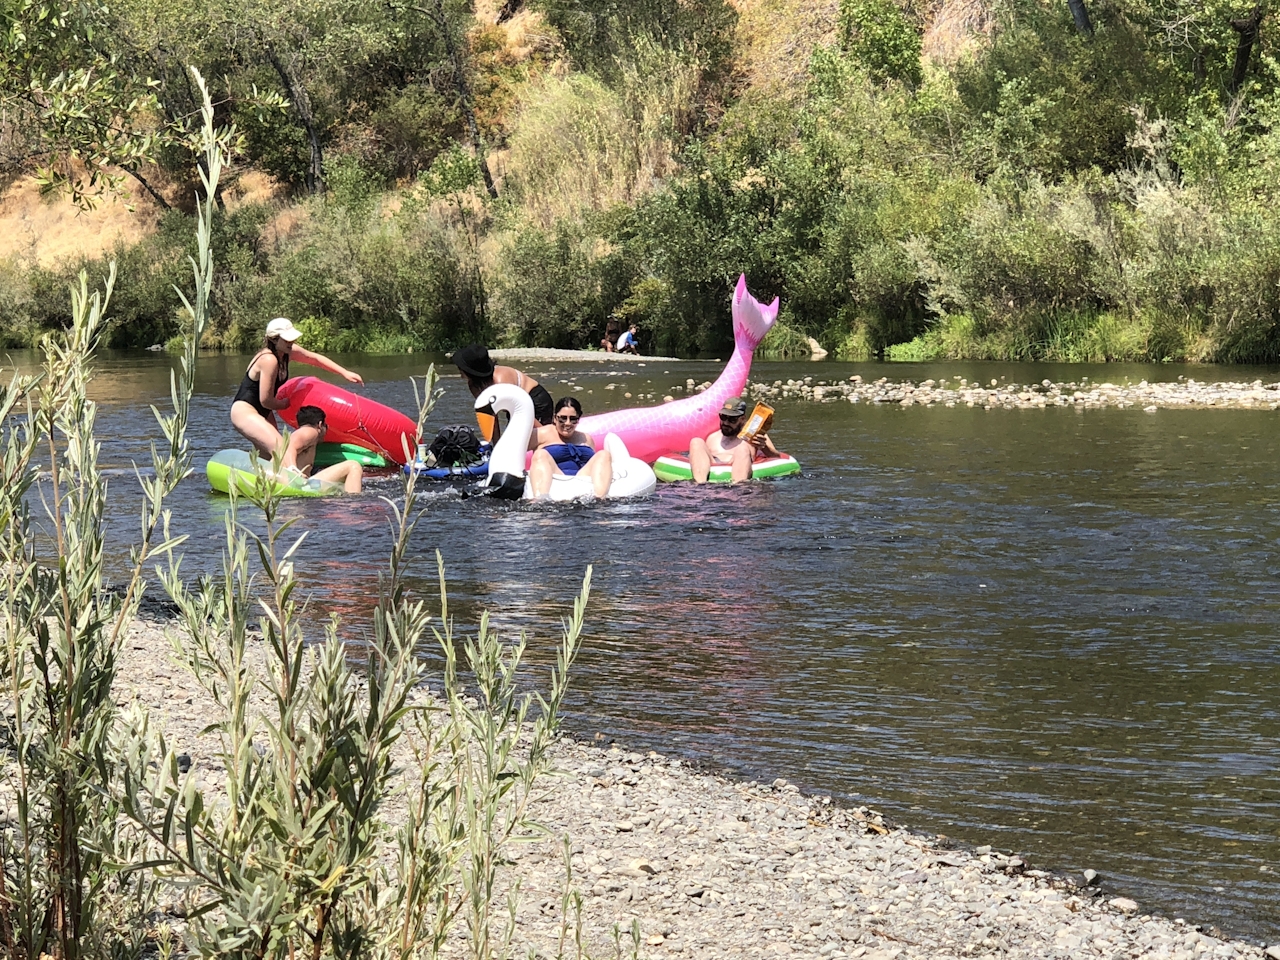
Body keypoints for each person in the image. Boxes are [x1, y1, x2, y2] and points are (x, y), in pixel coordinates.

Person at [231, 317, 364, 458]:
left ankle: (261, 476)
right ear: (274, 340)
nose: (291, 342)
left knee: (269, 456)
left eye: (291, 339)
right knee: (281, 449)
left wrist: (344, 372)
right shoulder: (268, 360)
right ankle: (296, 477)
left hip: (265, 412)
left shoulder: (288, 351)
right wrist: (288, 403)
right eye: (287, 340)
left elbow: (314, 359)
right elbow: (266, 401)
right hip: (244, 412)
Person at [528, 397, 613, 498]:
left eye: (573, 419)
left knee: (604, 454)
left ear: (578, 420)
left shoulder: (586, 438)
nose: (567, 423)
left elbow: (597, 465)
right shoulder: (541, 434)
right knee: (540, 454)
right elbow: (514, 452)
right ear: (555, 418)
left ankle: (600, 499)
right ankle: (540, 499)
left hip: (583, 477)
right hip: (557, 476)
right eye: (563, 418)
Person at [452, 343, 555, 426]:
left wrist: (545, 433)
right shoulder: (474, 386)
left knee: (534, 439)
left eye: (461, 369)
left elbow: (523, 412)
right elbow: (491, 416)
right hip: (515, 410)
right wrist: (495, 446)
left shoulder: (501, 381)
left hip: (536, 400)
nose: (460, 372)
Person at [688, 396, 780, 483]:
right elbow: (698, 458)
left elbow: (777, 458)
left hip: (739, 470)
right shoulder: (712, 437)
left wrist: (764, 447)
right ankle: (699, 486)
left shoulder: (754, 434)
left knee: (742, 448)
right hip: (713, 466)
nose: (726, 422)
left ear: (742, 419)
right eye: (723, 417)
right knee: (696, 441)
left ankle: (738, 488)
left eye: (732, 419)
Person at [279, 405, 363, 493]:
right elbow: (289, 446)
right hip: (294, 483)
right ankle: (353, 502)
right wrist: (293, 469)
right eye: (325, 425)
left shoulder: (303, 437)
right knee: (353, 466)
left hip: (287, 480)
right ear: (320, 424)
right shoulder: (311, 431)